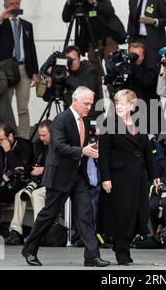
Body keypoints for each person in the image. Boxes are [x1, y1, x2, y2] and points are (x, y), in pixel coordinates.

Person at [22, 86, 109, 267]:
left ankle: (92, 256)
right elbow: (58, 146)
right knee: (49, 214)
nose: (89, 107)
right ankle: (29, 250)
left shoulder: (84, 121)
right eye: (86, 103)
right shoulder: (61, 119)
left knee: (85, 215)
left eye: (91, 104)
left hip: (78, 175)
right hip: (60, 175)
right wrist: (82, 151)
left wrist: (91, 150)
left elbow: (81, 147)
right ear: (74, 101)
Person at [98, 89, 159, 265]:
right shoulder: (109, 123)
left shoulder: (139, 123)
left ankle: (122, 245)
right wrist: (105, 178)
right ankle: (122, 251)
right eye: (117, 103)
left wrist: (155, 175)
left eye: (123, 104)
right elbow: (104, 153)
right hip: (118, 178)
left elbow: (146, 151)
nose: (119, 107)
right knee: (122, 216)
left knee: (140, 213)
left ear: (132, 106)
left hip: (138, 178)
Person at [62, 0, 126, 92]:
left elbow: (110, 10)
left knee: (112, 70)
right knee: (94, 74)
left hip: (108, 38)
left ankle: (116, 100)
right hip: (91, 41)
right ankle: (97, 105)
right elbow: (65, 18)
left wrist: (93, 1)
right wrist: (69, 0)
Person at [0, 0, 38, 139]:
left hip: (23, 68)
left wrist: (34, 71)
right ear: (5, 5)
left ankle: (24, 138)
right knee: (4, 106)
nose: (15, 7)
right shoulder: (0, 23)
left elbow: (31, 48)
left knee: (23, 108)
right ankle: (4, 136)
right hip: (6, 69)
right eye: (11, 4)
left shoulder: (27, 25)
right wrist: (2, 16)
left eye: (17, 4)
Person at [0, 123, 33, 245]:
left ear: (10, 136)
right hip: (3, 183)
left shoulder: (24, 146)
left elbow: (19, 169)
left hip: (19, 185)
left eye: (2, 140)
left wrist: (8, 151)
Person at [5, 120, 52, 245]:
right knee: (20, 195)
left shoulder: (58, 145)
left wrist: (43, 170)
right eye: (40, 135)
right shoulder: (40, 145)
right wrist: (25, 169)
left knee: (36, 195)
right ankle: (15, 231)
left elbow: (62, 168)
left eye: (44, 135)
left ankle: (39, 233)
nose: (41, 138)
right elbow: (35, 165)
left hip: (54, 184)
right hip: (39, 183)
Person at [43, 45, 101, 119]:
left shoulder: (90, 70)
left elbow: (89, 89)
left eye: (74, 60)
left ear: (79, 59)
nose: (72, 63)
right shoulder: (62, 73)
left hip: (89, 116)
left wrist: (68, 77)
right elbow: (47, 98)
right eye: (69, 60)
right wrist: (49, 84)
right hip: (72, 118)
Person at [127, 0, 166, 70]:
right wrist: (130, 39)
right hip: (136, 41)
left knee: (152, 72)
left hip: (153, 42)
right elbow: (131, 19)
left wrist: (154, 21)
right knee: (136, 71)